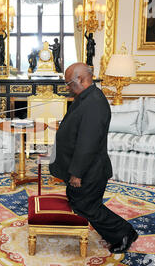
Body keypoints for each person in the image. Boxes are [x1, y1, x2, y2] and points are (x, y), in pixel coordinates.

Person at [49, 62, 138, 253]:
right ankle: (118, 232)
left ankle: (124, 232)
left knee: (86, 206)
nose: (67, 88)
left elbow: (87, 143)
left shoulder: (94, 102)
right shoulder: (85, 97)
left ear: (80, 79)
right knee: (81, 202)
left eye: (68, 83)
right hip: (85, 167)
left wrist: (76, 174)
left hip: (90, 169)